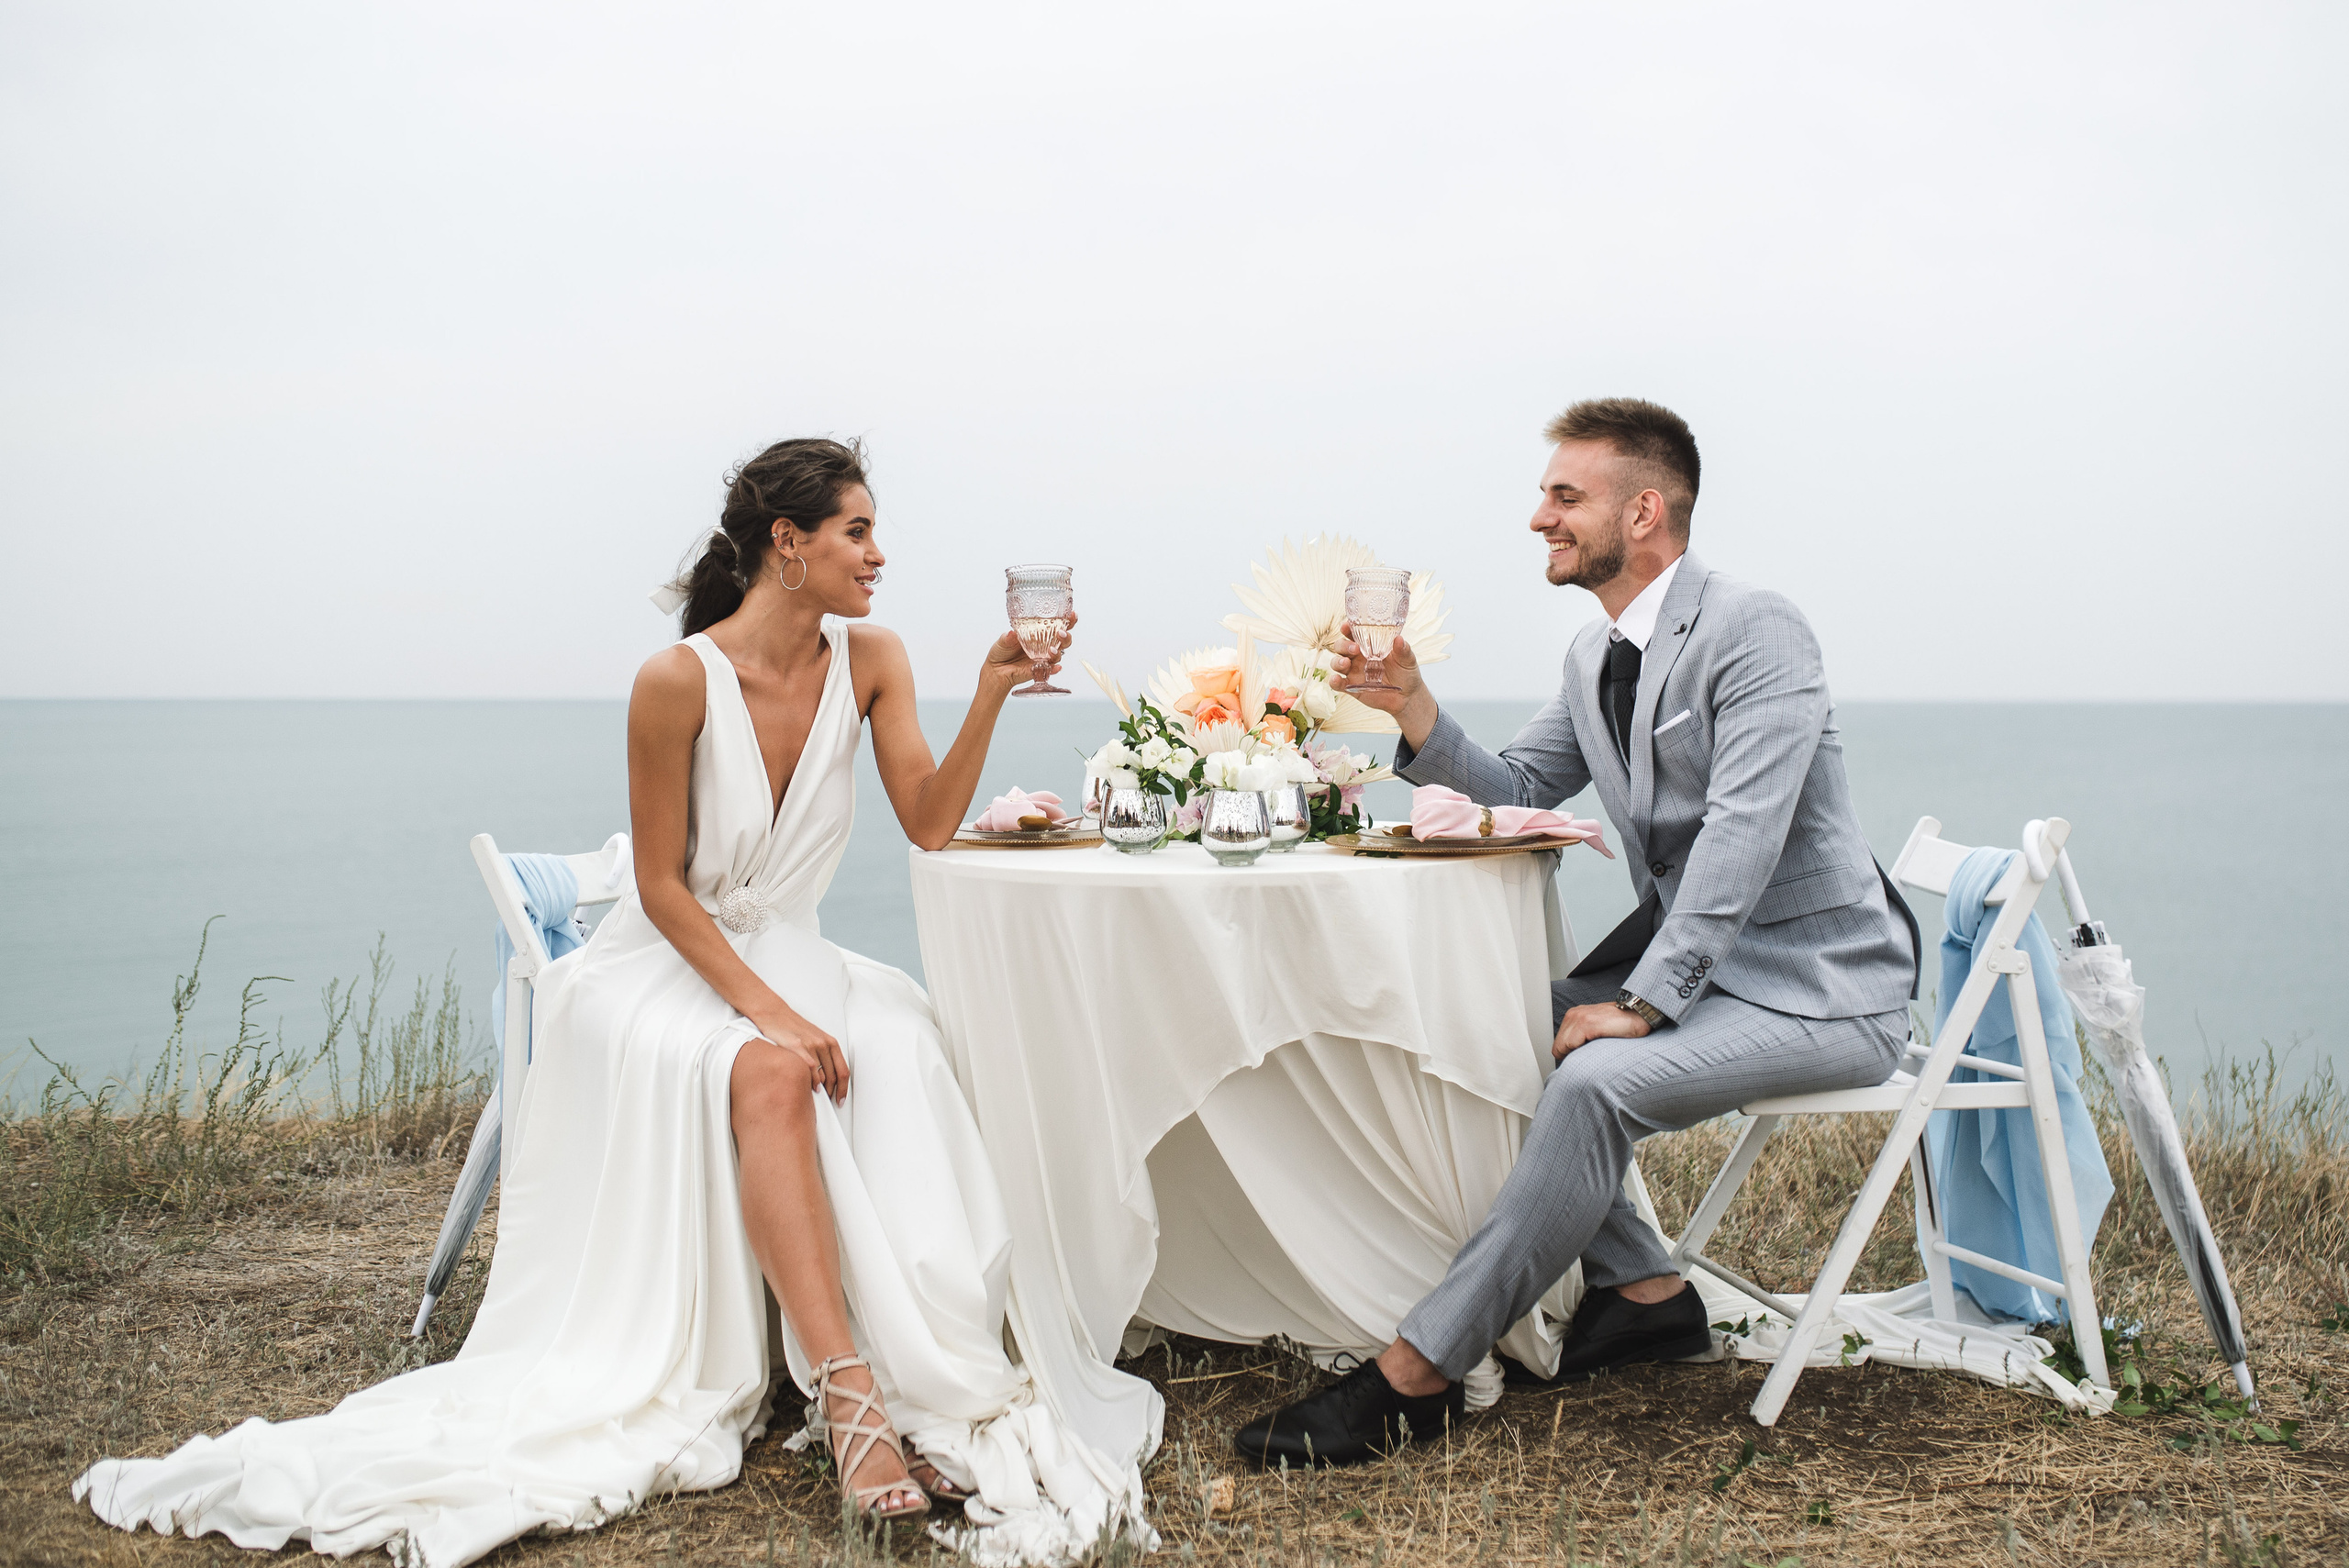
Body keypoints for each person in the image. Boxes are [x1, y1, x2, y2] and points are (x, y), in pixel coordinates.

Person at [76, 439, 1148, 1567]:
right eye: (856, 531)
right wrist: (766, 1013)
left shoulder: (873, 658)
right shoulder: (675, 679)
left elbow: (929, 819)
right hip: (662, 971)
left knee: (906, 1037)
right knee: (773, 1066)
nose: (879, 555)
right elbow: (659, 887)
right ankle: (847, 1401)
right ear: (788, 544)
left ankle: (912, 1347)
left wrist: (989, 690)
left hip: (797, 951)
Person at [1232, 397, 1921, 1468]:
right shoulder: (1593, 658)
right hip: (1721, 983)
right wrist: (1414, 708)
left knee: (1595, 1077)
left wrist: (1643, 1002)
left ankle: (1416, 1373)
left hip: (1824, 989)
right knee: (1498, 1021)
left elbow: (1742, 834)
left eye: (1564, 495)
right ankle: (1644, 1291)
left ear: (1642, 511)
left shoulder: (1756, 627)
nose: (1538, 517)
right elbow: (1512, 789)